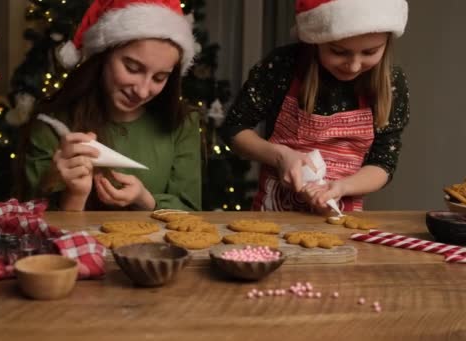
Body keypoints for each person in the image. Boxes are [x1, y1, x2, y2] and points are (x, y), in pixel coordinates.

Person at [221, 0, 410, 214]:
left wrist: (342, 187)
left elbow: (383, 163)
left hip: (342, 219)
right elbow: (234, 129)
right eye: (339, 52)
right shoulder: (284, 66)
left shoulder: (390, 82)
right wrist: (280, 156)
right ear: (316, 39)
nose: (354, 65)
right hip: (273, 214)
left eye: (370, 52)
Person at [23, 0, 201, 211]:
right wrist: (74, 195)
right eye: (132, 68)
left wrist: (145, 200)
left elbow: (190, 212)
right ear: (103, 57)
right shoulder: (52, 125)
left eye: (160, 78)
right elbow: (31, 224)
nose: (143, 91)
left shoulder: (182, 123)